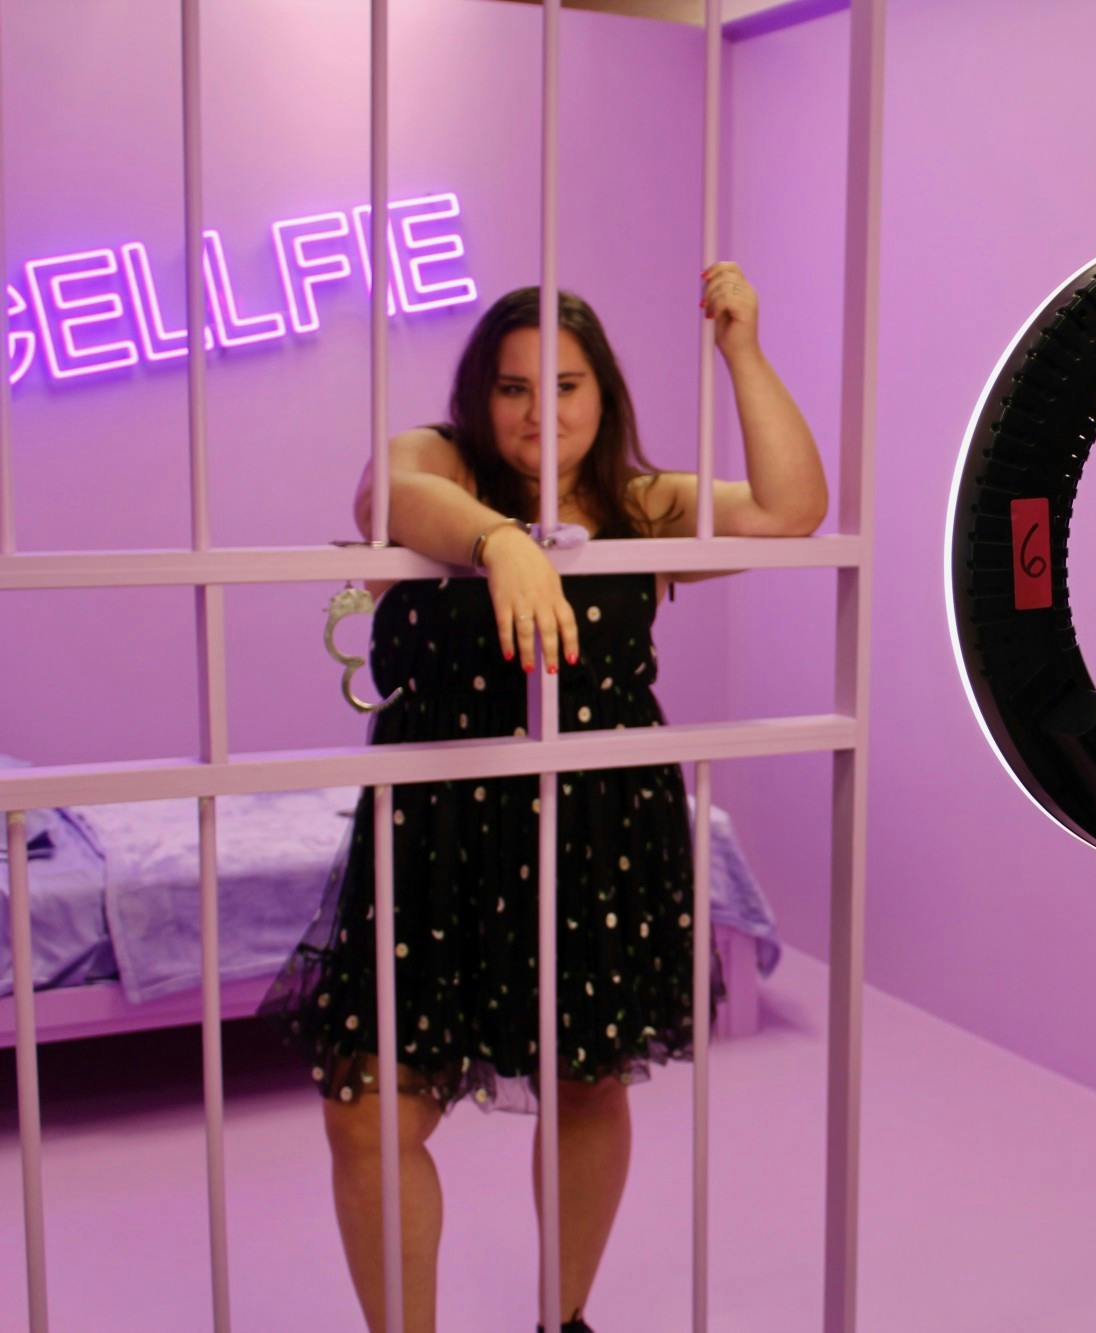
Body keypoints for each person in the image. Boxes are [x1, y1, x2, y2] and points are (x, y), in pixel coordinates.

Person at [264, 264, 825, 1333]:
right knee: (369, 1112)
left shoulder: (634, 505)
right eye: (514, 387)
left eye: (564, 385)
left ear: (601, 395)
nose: (539, 410)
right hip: (434, 835)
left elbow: (794, 507)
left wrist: (741, 348)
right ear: (481, 396)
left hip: (598, 831)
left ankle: (560, 1319)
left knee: (586, 1084)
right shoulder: (438, 465)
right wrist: (502, 542)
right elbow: (385, 493)